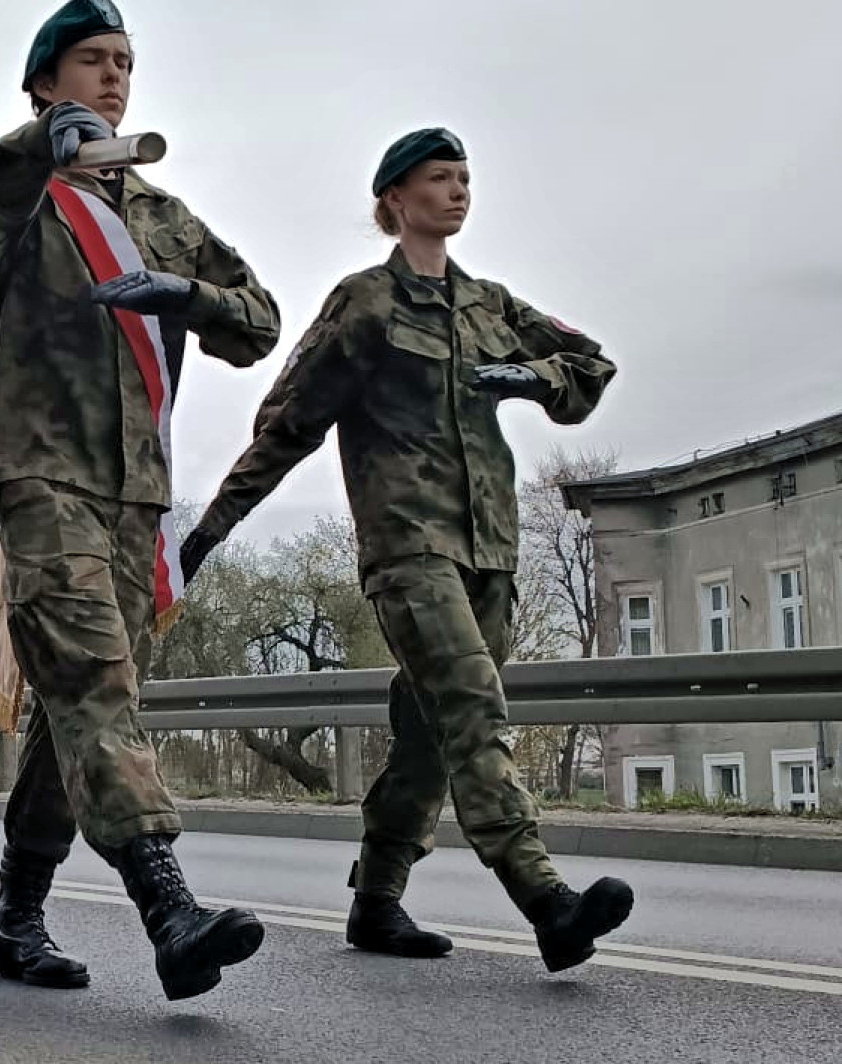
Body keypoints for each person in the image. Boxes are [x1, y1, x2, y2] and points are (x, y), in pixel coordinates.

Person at [181, 127, 631, 973]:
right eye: (439, 178)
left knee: (429, 735)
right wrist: (209, 531)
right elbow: (289, 423)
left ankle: (376, 901)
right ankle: (546, 899)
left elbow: (591, 366)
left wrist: (540, 381)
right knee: (472, 705)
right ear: (395, 199)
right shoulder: (366, 304)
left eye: (465, 177)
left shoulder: (490, 305)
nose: (459, 191)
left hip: (489, 548)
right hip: (407, 548)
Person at [0, 0, 283, 1001]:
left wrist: (185, 298)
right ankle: (169, 906)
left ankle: (16, 915)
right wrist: (32, 151)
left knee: (80, 706)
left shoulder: (162, 216)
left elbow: (258, 320)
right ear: (47, 79)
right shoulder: (9, 183)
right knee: (94, 680)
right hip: (42, 476)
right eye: (92, 60)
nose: (113, 78)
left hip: (137, 491)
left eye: (125, 62)